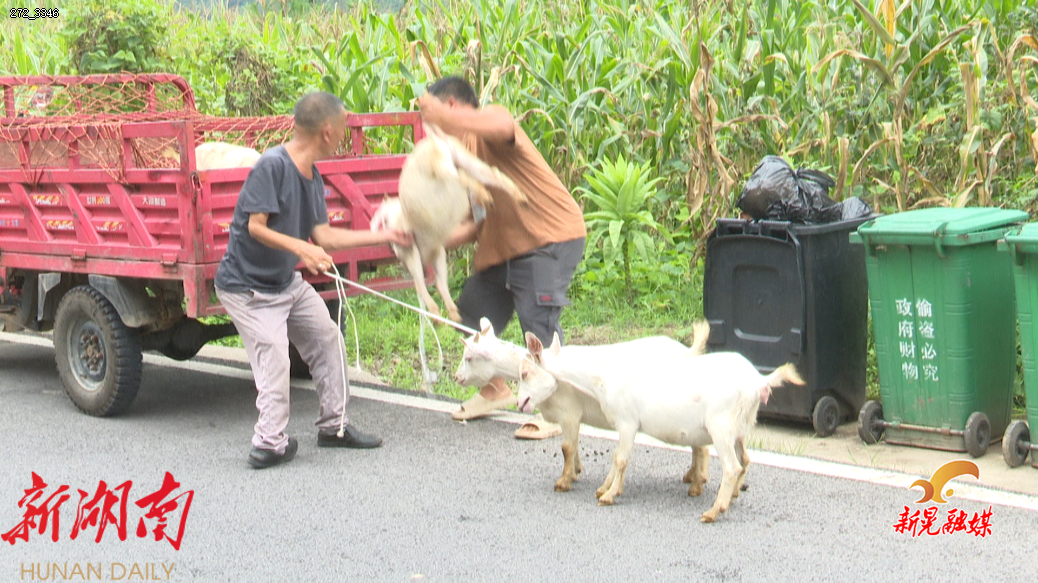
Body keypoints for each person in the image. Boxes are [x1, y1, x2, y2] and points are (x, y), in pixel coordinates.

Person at [215, 91, 412, 469]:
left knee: (327, 338)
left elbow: (325, 236)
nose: (343, 135)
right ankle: (268, 444)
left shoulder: (311, 176)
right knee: (275, 360)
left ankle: (334, 427)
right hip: (247, 288)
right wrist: (301, 249)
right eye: (343, 128)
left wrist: (386, 236)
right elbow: (256, 227)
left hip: (284, 282)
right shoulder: (272, 166)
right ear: (326, 132)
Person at [417, 76, 587, 436]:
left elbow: (504, 124)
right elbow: (473, 224)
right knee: (469, 314)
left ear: (451, 106)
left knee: (537, 325)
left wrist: (445, 119)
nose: (428, 127)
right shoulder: (461, 156)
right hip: (504, 251)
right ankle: (495, 390)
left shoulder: (488, 125)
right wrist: (426, 241)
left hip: (549, 239)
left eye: (431, 116)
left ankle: (557, 411)